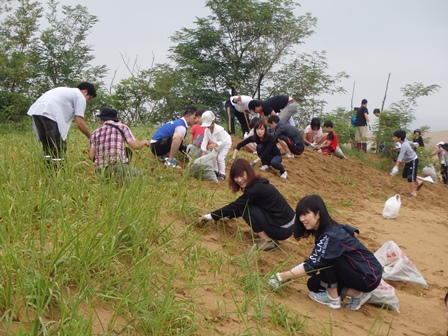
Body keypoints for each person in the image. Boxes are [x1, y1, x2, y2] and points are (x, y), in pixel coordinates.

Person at [267, 194, 382, 310]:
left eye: (306, 214)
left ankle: (333, 299)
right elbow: (313, 262)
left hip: (368, 276)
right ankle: (358, 294)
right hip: (356, 271)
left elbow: (312, 266)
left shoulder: (331, 236)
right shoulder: (326, 230)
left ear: (318, 214)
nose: (302, 219)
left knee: (326, 259)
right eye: (300, 215)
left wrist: (281, 277)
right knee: (313, 284)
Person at [199, 158, 295, 251]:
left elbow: (236, 206)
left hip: (283, 229)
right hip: (288, 226)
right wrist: (226, 217)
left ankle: (267, 241)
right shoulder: (259, 184)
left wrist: (211, 216)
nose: (239, 180)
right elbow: (239, 207)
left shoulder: (255, 189)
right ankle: (270, 238)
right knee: (246, 207)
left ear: (248, 172)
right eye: (236, 177)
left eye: (241, 175)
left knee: (246, 209)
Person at [27, 82, 97, 167]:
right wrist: (91, 137)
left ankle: (48, 167)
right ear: (85, 92)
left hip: (37, 111)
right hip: (49, 112)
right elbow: (80, 123)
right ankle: (58, 170)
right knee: (57, 145)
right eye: (89, 98)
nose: (87, 101)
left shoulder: (67, 91)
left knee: (47, 143)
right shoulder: (80, 96)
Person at [89, 108, 149, 181]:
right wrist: (145, 142)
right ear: (115, 119)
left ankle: (111, 180)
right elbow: (136, 146)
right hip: (118, 165)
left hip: (100, 170)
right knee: (141, 179)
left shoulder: (95, 132)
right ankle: (119, 181)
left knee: (116, 176)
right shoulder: (122, 127)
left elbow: (91, 156)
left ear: (101, 119)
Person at [200, 111, 232, 181]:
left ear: (213, 121)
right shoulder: (206, 130)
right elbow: (204, 141)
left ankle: (222, 174)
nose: (207, 126)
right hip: (216, 145)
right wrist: (203, 151)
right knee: (213, 156)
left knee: (220, 158)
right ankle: (215, 171)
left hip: (225, 144)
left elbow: (223, 141)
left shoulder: (219, 130)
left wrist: (215, 144)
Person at [390, 129, 423, 196]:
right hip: (409, 160)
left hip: (413, 160)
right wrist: (413, 144)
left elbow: (400, 156)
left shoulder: (404, 145)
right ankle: (419, 182)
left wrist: (396, 167)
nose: (394, 138)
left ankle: (413, 192)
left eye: (395, 137)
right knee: (406, 174)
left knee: (410, 177)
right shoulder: (404, 141)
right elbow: (409, 142)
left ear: (399, 138)